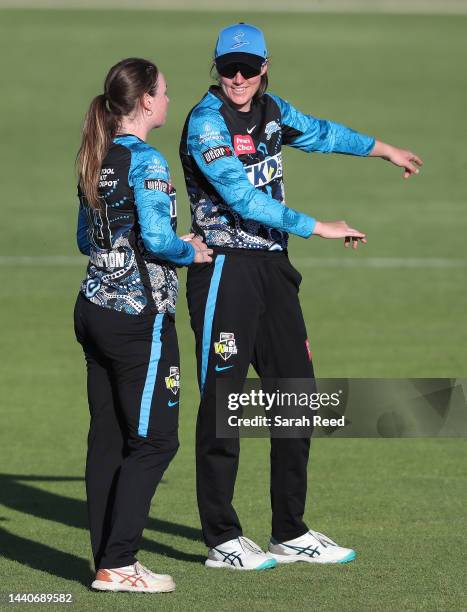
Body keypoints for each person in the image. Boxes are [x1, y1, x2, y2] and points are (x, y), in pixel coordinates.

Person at [179, 23, 423, 570]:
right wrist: (320, 226)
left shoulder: (272, 111)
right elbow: (241, 198)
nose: (237, 78)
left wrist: (384, 150)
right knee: (225, 404)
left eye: (247, 68)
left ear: (264, 67)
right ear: (216, 68)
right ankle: (222, 538)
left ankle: (289, 530)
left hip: (272, 270)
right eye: (228, 68)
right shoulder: (205, 123)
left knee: (296, 396)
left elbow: (321, 133)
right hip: (225, 271)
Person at [74, 57, 212, 593]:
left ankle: (106, 560)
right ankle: (120, 562)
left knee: (107, 438)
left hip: (93, 310)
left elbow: (86, 241)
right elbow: (157, 240)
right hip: (139, 319)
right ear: (147, 101)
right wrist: (191, 251)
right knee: (155, 441)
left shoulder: (94, 154)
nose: (170, 100)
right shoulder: (148, 162)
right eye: (166, 92)